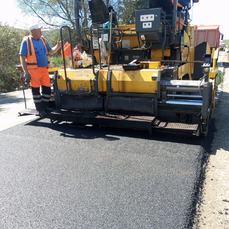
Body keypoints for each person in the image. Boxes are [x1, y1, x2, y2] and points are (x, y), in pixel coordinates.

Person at [19, 24, 61, 117]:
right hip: (33, 70)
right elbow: (22, 57)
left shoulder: (43, 39)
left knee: (47, 89)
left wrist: (57, 46)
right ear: (32, 32)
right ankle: (40, 109)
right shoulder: (26, 41)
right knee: (36, 91)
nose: (41, 32)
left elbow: (50, 51)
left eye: (40, 31)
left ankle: (45, 107)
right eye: (39, 31)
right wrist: (26, 73)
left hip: (44, 69)